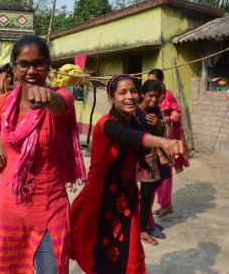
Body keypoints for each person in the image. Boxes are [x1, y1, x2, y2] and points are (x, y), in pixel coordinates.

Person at [0, 35, 86, 274]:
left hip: (50, 204)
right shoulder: (0, 103)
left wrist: (49, 98)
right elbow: (1, 133)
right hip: (9, 203)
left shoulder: (62, 98)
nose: (31, 71)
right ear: (13, 68)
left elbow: (60, 105)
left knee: (53, 268)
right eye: (23, 64)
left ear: (48, 66)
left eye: (39, 64)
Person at [70, 74, 184, 274]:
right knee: (100, 254)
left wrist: (161, 145)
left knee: (130, 257)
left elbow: (142, 142)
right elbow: (129, 137)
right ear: (111, 97)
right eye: (122, 92)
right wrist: (164, 142)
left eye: (132, 91)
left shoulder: (133, 121)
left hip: (126, 198)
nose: (129, 96)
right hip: (101, 199)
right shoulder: (106, 123)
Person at [148, 69, 190, 218]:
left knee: (165, 170)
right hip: (154, 136)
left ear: (161, 81)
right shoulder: (151, 96)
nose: (151, 83)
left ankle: (166, 205)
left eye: (154, 80)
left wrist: (165, 120)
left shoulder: (167, 95)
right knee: (156, 170)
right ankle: (163, 203)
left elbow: (176, 115)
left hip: (166, 135)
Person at [135, 80, 169, 245]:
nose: (154, 100)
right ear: (142, 94)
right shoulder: (135, 112)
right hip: (136, 158)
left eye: (157, 96)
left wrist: (157, 125)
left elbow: (161, 133)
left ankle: (145, 226)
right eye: (150, 96)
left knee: (148, 195)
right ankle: (140, 228)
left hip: (151, 159)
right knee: (133, 195)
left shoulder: (156, 111)